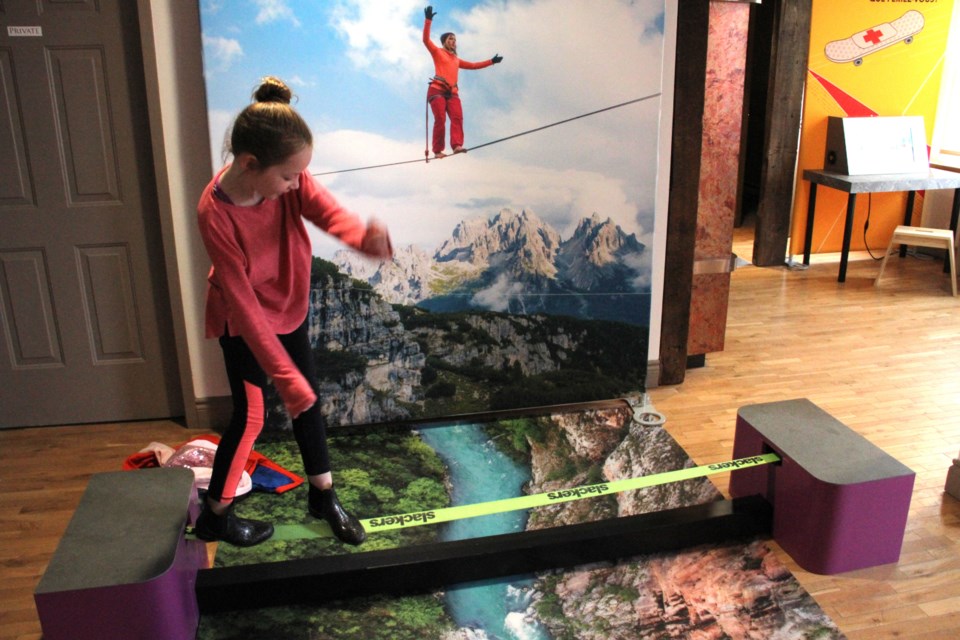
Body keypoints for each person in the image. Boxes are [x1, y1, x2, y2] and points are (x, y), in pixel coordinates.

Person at [195, 76, 393, 547]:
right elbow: (241, 302)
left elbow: (325, 210)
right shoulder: (215, 213)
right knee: (252, 416)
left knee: (308, 402)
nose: (294, 185)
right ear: (249, 164)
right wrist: (282, 374)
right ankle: (215, 516)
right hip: (243, 322)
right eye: (287, 177)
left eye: (298, 176)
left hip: (288, 307)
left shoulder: (290, 176)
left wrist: (361, 239)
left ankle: (323, 495)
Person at [423, 5, 502, 159]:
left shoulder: (456, 60)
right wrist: (428, 21)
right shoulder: (438, 52)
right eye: (450, 38)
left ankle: (457, 145)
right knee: (440, 119)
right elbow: (425, 40)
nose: (453, 41)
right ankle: (438, 150)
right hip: (437, 90)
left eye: (455, 39)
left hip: (452, 93)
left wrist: (491, 61)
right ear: (444, 41)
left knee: (457, 117)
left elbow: (473, 65)